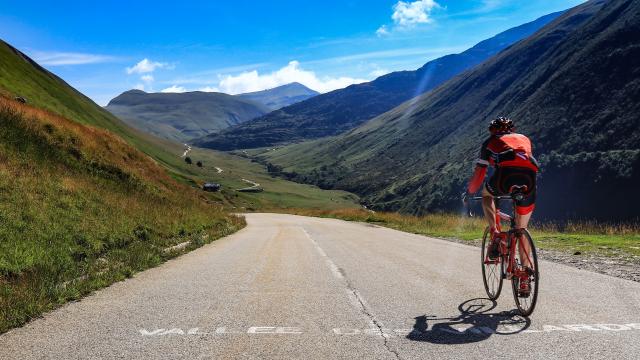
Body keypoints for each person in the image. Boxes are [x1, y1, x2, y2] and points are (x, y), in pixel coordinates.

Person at [464, 117, 539, 296]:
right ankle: (524, 279)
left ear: (492, 131)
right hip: (529, 179)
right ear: (512, 129)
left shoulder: (490, 142)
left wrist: (469, 191)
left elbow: (480, 172)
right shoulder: (524, 138)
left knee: (487, 195)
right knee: (521, 229)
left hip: (505, 177)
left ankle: (496, 234)